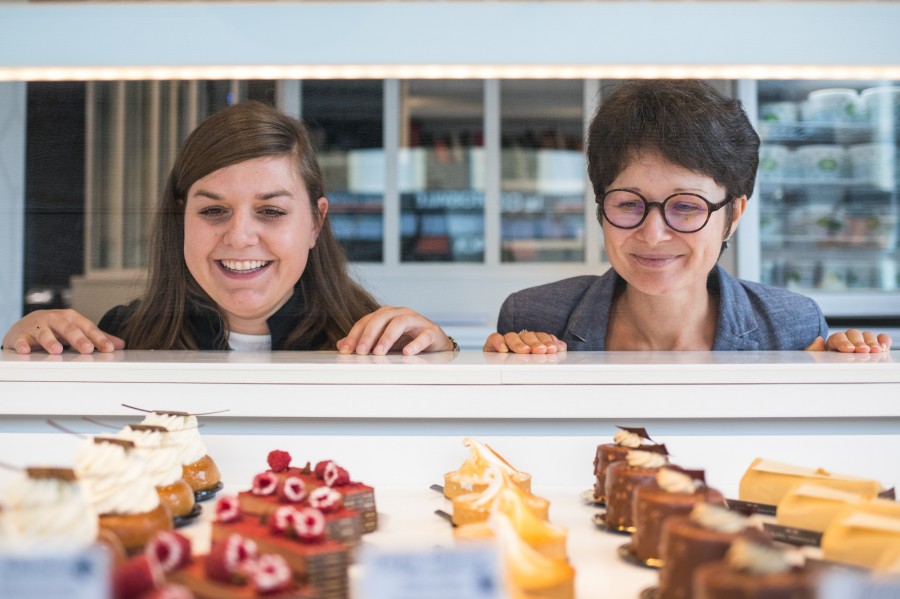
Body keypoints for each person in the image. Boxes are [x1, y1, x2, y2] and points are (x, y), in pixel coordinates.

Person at [2, 101, 454, 356]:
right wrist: (25, 347)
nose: (239, 237)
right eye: (213, 211)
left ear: (316, 222)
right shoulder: (122, 335)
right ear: (180, 218)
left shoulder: (375, 339)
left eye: (271, 212)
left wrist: (443, 354)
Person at [484, 80, 892, 355]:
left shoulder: (790, 328)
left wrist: (845, 379)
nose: (654, 234)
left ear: (734, 214)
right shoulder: (534, 318)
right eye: (628, 204)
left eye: (686, 206)